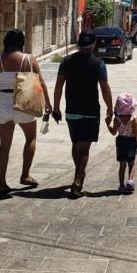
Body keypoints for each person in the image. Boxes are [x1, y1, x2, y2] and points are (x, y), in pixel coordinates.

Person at [52, 31, 113, 198]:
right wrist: (110, 108)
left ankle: (79, 171)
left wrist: (56, 107)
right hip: (90, 111)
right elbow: (105, 88)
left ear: (78, 44)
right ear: (93, 45)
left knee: (76, 144)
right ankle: (77, 182)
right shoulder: (99, 64)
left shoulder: (66, 61)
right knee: (84, 149)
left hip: (71, 110)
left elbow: (58, 86)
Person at [0, 28, 52, 194]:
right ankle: (25, 175)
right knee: (31, 137)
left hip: (3, 102)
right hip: (24, 100)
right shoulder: (28, 58)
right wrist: (48, 102)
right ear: (21, 42)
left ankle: (2, 184)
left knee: (4, 145)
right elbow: (41, 81)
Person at [106, 92, 137, 193]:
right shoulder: (133, 119)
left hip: (120, 142)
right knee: (132, 163)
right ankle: (130, 181)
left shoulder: (117, 119)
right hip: (131, 142)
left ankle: (121, 186)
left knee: (122, 165)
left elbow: (113, 132)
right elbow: (136, 133)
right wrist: (136, 138)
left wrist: (108, 124)